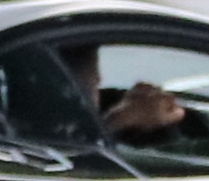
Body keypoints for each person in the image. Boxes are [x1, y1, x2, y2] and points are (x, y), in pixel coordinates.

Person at [59, 44, 187, 144]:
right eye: (94, 79)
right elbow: (76, 153)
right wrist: (123, 119)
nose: (99, 80)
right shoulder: (51, 134)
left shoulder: (48, 117)